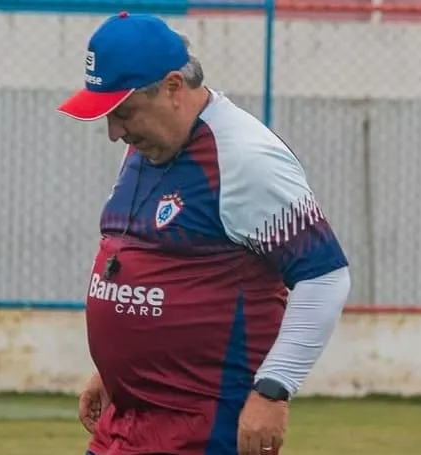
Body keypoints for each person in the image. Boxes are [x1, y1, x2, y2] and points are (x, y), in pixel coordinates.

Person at [56, 11, 352, 455]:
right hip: (127, 421)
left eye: (124, 113)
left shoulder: (246, 158)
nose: (114, 133)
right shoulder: (147, 147)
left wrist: (274, 390)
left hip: (202, 430)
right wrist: (116, 372)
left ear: (173, 87)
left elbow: (324, 276)